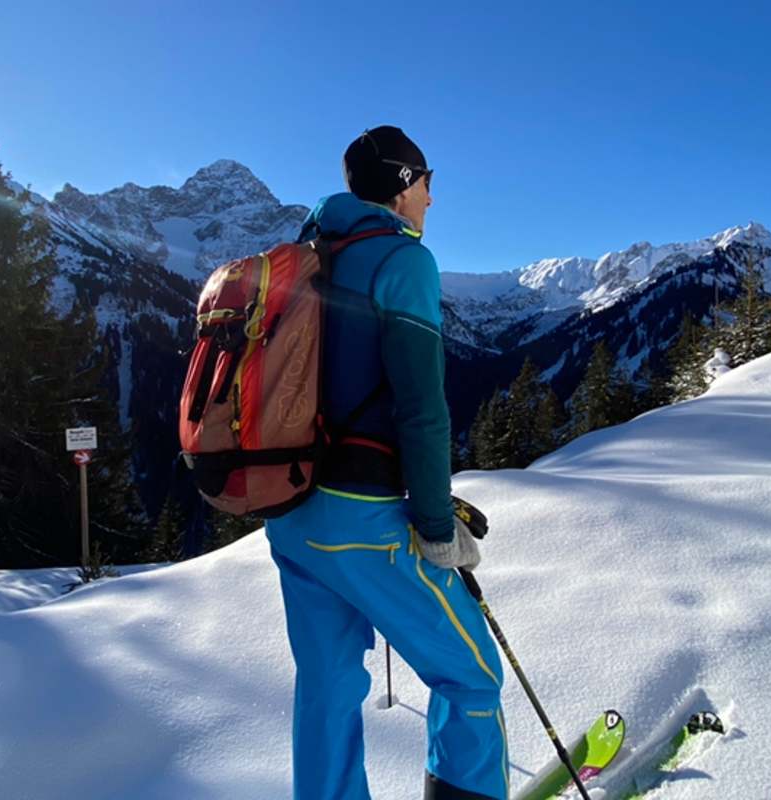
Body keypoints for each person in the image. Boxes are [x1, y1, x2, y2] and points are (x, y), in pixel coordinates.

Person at [264, 126, 507, 800]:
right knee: (471, 676)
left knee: (328, 689)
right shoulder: (402, 262)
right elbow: (422, 409)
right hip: (361, 517)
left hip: (290, 512)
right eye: (428, 182)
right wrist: (434, 523)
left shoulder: (311, 250)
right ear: (403, 186)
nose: (432, 198)